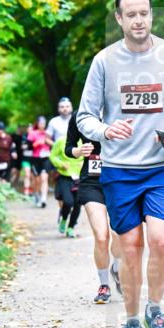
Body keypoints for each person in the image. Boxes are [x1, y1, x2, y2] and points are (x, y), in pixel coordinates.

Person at [76, 0, 164, 328]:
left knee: (161, 240)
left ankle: (156, 310)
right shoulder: (104, 61)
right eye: (130, 14)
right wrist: (104, 130)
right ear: (119, 19)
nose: (138, 20)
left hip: (162, 167)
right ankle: (131, 321)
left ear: (151, 14)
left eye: (143, 13)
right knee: (130, 248)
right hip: (118, 169)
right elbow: (85, 116)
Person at [66, 115, 124, 305]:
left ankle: (116, 268)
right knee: (101, 235)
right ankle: (104, 285)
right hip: (91, 182)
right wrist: (78, 150)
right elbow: (69, 148)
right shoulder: (79, 116)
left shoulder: (118, 110)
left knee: (119, 234)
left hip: (119, 179)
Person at [49, 134, 83, 237]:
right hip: (65, 175)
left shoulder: (85, 141)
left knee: (78, 204)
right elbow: (53, 156)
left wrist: (84, 164)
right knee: (68, 202)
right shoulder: (61, 140)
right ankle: (63, 219)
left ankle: (71, 228)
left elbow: (90, 156)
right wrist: (60, 164)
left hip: (79, 176)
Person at [28, 116, 51, 208]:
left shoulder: (48, 133)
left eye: (44, 123)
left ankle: (43, 199)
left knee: (44, 178)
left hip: (46, 157)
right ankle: (36, 194)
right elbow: (28, 147)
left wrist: (47, 141)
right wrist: (37, 143)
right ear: (37, 123)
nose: (42, 125)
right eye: (41, 123)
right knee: (37, 180)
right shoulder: (32, 134)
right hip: (35, 158)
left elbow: (54, 144)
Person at [17, 123, 35, 198]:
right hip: (25, 159)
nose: (29, 130)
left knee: (32, 176)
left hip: (34, 159)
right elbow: (22, 147)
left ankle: (31, 190)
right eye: (28, 128)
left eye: (31, 129)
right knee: (27, 174)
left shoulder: (35, 136)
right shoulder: (24, 137)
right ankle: (26, 191)